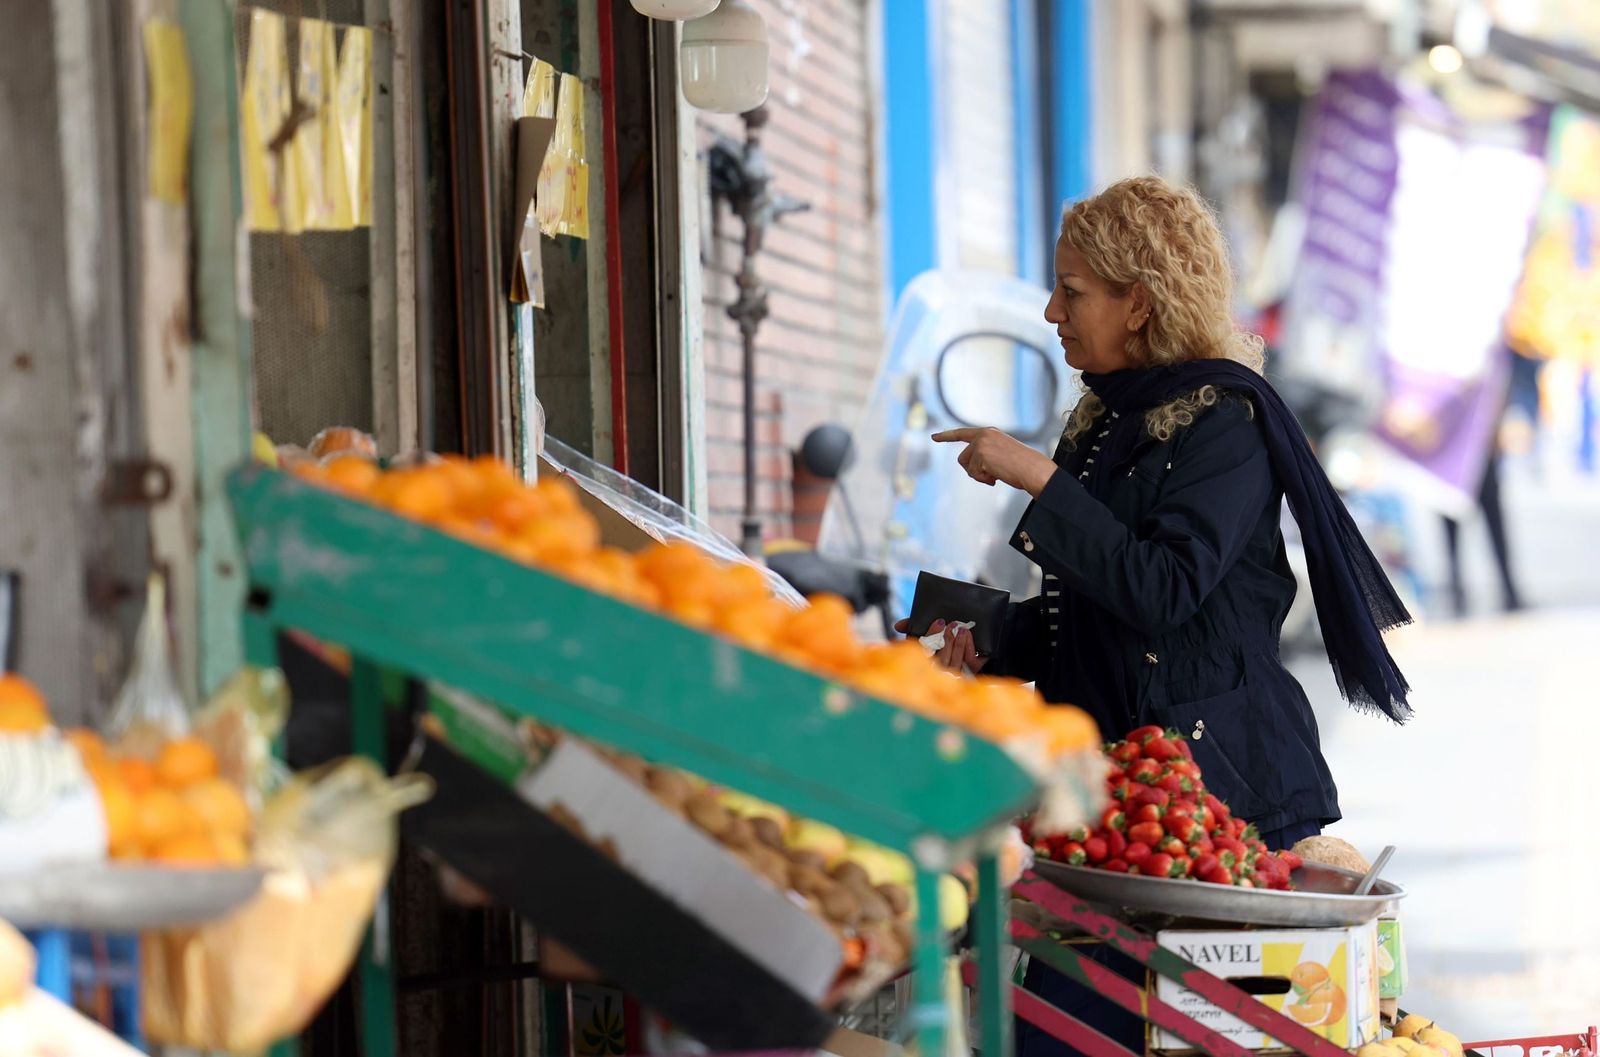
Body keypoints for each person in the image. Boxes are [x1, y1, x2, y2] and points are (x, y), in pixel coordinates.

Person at [905, 177, 1413, 1057]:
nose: (1051, 309)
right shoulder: (1106, 417)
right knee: (1063, 1030)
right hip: (1115, 799)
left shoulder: (1226, 423)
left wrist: (1040, 480)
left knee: (1193, 1033)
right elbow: (1090, 606)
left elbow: (1163, 591)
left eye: (1074, 290)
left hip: (1218, 797)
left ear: (1138, 303)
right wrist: (983, 640)